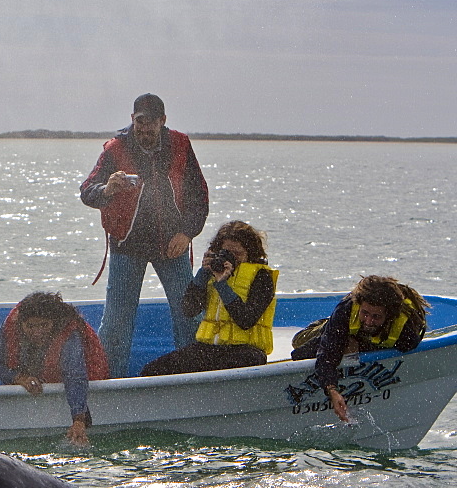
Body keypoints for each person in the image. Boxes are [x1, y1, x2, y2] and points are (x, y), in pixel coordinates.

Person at [80, 93, 209, 377]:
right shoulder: (114, 149)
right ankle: (111, 382)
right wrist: (107, 190)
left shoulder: (180, 145)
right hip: (128, 246)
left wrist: (187, 233)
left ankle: (194, 377)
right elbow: (87, 191)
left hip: (171, 245)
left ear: (163, 121)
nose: (145, 128)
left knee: (189, 314)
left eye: (151, 122)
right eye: (140, 122)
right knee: (115, 323)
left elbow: (199, 195)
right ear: (132, 120)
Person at [140, 221, 278, 376]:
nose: (232, 259)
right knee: (152, 370)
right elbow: (189, 310)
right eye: (227, 253)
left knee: (229, 366)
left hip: (246, 351)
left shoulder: (262, 276)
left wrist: (222, 285)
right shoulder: (211, 272)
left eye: (238, 254)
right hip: (210, 348)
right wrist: (202, 274)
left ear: (250, 253)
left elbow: (245, 320)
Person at [291, 276, 429, 422]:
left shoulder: (408, 329)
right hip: (338, 329)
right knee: (300, 350)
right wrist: (332, 390)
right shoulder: (346, 309)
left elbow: (410, 346)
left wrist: (360, 346)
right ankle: (325, 323)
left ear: (389, 316)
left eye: (376, 316)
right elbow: (326, 356)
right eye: (365, 313)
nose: (369, 321)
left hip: (362, 338)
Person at [0, 291, 109, 447]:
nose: (37, 332)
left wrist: (78, 420)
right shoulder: (12, 322)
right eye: (30, 326)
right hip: (35, 370)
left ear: (54, 322)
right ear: (21, 323)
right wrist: (19, 378)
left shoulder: (69, 332)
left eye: (44, 325)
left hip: (84, 374)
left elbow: (75, 376)